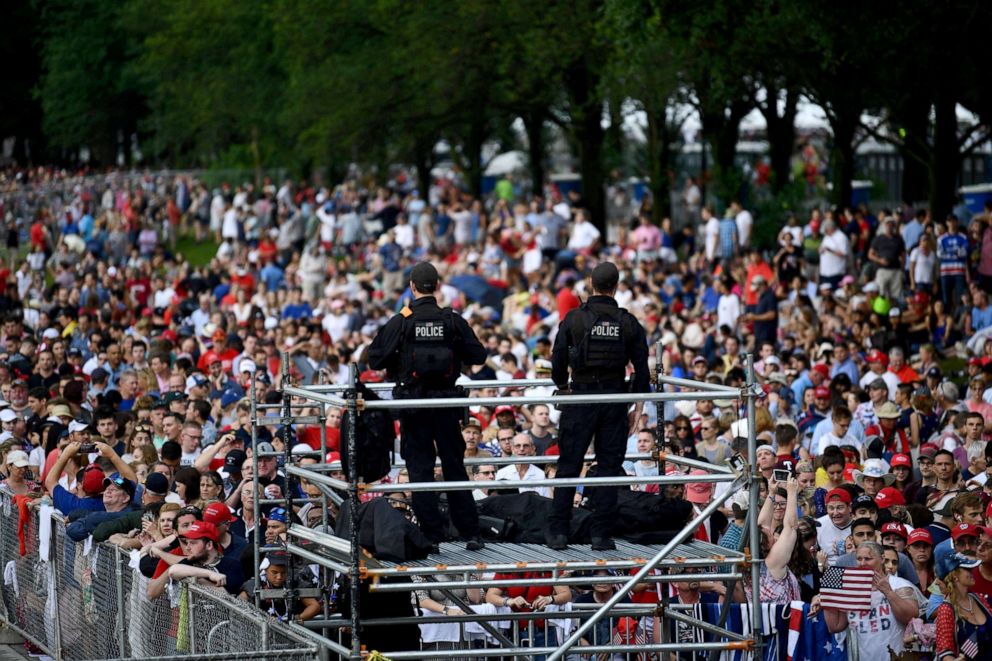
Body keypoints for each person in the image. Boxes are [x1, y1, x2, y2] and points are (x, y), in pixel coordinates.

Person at [367, 261, 488, 551]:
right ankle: (470, 532)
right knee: (455, 467)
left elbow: (375, 359)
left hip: (415, 407)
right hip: (446, 405)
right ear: (437, 286)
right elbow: (479, 355)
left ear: (411, 287)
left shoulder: (403, 320)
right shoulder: (451, 319)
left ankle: (432, 535)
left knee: (420, 470)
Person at [545, 261, 650, 551]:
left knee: (568, 465)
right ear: (616, 287)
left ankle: (558, 533)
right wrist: (636, 407)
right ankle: (601, 536)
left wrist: (564, 387)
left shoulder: (574, 318)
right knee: (609, 467)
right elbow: (641, 370)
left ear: (591, 283)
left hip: (581, 398)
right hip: (614, 400)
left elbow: (557, 362)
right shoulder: (628, 322)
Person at [822, 541, 919, 658]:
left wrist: (888, 592)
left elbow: (910, 617)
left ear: (882, 558)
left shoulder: (899, 584)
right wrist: (828, 598)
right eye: (859, 559)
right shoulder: (851, 590)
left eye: (868, 559)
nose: (862, 563)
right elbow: (835, 627)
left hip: (897, 656)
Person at [933, 552, 992, 660]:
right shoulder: (946, 609)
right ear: (955, 576)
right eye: (968, 569)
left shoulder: (979, 599)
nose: (972, 572)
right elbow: (944, 652)